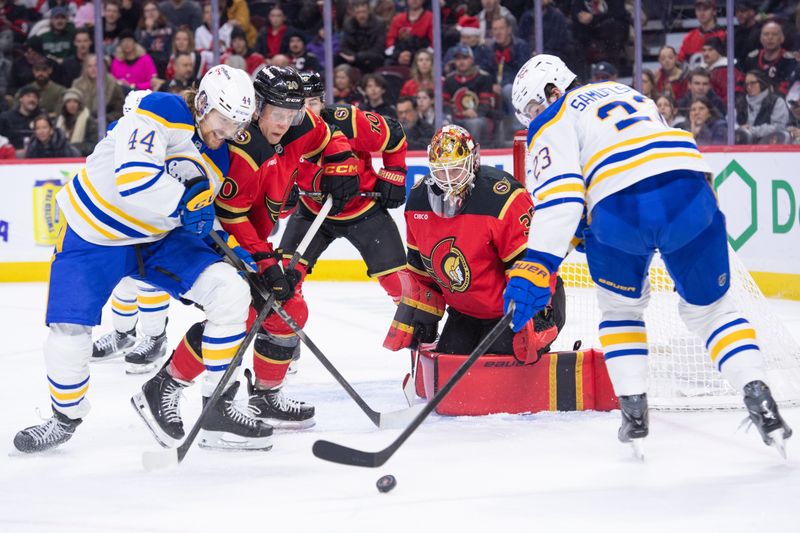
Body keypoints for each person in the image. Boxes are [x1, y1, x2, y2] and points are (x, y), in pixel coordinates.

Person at [506, 54, 792, 453]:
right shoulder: (629, 92)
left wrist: (536, 264)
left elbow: (562, 198)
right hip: (692, 187)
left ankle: (634, 413)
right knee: (713, 311)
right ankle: (757, 392)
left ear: (553, 91)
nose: (535, 117)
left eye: (535, 107)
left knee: (621, 311)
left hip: (622, 205)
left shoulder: (553, 117)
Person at [14, 64, 273, 454]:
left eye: (236, 126)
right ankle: (64, 417)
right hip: (94, 233)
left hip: (157, 238)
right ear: (202, 102)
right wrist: (187, 202)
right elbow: (134, 179)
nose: (226, 133)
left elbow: (199, 217)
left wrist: (231, 246)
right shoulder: (163, 108)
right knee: (68, 329)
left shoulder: (219, 157)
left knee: (231, 291)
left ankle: (217, 407)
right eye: (222, 119)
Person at [141, 65, 359, 431]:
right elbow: (232, 216)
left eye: (292, 114)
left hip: (257, 239)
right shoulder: (241, 150)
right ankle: (165, 385)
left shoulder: (301, 123)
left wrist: (340, 161)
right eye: (277, 114)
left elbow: (326, 136)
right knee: (239, 314)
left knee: (290, 309)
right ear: (257, 107)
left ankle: (265, 395)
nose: (284, 124)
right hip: (219, 238)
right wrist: (265, 261)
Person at [384, 123, 565, 363]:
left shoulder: (503, 198)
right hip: (466, 312)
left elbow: (532, 263)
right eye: (440, 171)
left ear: (473, 162)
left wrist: (534, 314)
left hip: (516, 308)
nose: (447, 180)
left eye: (455, 170)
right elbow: (421, 269)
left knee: (499, 363)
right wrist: (421, 316)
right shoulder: (418, 200)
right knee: (449, 360)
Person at [742, 20, 797, 96]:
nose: (770, 38)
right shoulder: (751, 58)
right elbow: (743, 83)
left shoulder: (790, 60)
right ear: (761, 39)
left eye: (774, 34)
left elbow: (789, 86)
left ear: (782, 39)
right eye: (766, 34)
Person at [735, 70, 790, 144]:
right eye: (746, 84)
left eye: (753, 83)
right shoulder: (741, 103)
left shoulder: (776, 102)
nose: (749, 87)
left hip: (768, 147)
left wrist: (752, 130)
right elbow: (731, 124)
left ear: (762, 83)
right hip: (742, 147)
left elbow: (779, 127)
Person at [71, 54, 126, 123]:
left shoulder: (112, 83)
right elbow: (71, 109)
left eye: (96, 65)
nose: (93, 69)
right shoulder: (77, 84)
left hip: (105, 123)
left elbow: (120, 110)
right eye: (89, 66)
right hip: (82, 122)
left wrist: (106, 118)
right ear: (85, 68)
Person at [336, 0, 386, 74]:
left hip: (372, 57)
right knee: (337, 59)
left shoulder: (379, 24)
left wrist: (357, 57)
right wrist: (353, 56)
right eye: (358, 12)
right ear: (353, 13)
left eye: (364, 12)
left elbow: (378, 48)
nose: (361, 15)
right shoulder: (348, 24)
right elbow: (344, 46)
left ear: (369, 11)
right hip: (353, 57)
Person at [677, 0, 726, 69]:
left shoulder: (724, 36)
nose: (702, 13)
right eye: (698, 9)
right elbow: (678, 63)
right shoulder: (689, 38)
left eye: (706, 9)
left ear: (714, 11)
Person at [55, 88, 98, 156]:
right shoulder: (59, 121)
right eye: (68, 101)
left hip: (81, 159)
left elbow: (93, 145)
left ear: (80, 104)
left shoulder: (89, 121)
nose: (72, 104)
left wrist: (71, 147)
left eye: (75, 101)